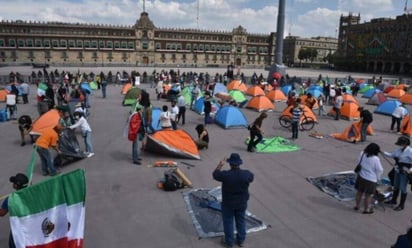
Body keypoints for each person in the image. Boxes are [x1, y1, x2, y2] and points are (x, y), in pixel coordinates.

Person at [212, 153, 254, 248]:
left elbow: (215, 174)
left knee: (228, 222)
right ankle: (241, 240)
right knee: (241, 221)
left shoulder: (226, 175)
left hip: (228, 203)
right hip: (242, 202)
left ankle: (229, 243)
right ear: (239, 163)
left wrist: (220, 165)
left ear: (230, 164)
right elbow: (251, 177)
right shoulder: (246, 174)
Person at [383, 136, 412, 211]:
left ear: (405, 144)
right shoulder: (399, 150)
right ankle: (393, 200)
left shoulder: (410, 151)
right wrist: (382, 152)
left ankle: (401, 205)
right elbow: (392, 155)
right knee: (396, 185)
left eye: (401, 143)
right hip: (397, 170)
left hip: (405, 171)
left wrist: (410, 170)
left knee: (403, 188)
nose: (400, 145)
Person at [0, 173, 29, 248]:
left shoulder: (11, 199)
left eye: (14, 182)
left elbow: (2, 213)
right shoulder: (30, 193)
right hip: (29, 223)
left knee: (14, 244)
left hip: (18, 226)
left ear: (16, 185)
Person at [353, 143, 383, 214]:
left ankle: (357, 206)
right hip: (371, 179)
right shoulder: (375, 159)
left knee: (359, 193)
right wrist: (378, 178)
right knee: (368, 195)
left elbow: (358, 161)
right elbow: (380, 169)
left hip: (361, 176)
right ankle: (366, 209)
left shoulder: (362, 153)